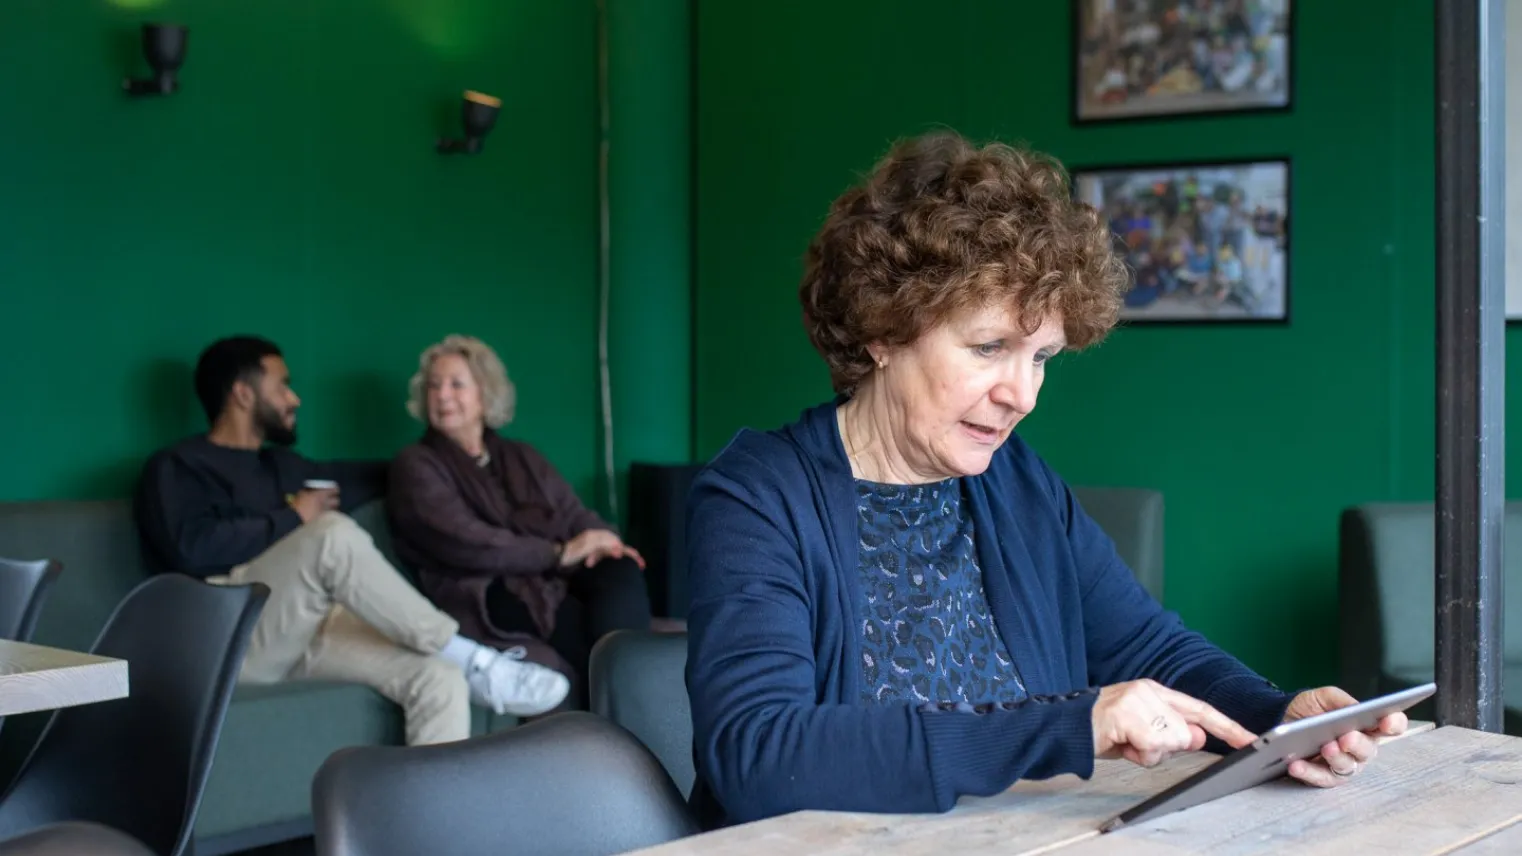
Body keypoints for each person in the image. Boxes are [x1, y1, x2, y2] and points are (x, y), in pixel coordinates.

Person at [683, 131, 1407, 830]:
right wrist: (1068, 726)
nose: (1021, 395)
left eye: (1042, 358)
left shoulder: (1017, 482)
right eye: (989, 347)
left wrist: (1276, 718)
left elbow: (1151, 651)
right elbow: (759, 755)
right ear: (884, 331)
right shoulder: (758, 497)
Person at [135, 336, 570, 746]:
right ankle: (472, 657)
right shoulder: (179, 466)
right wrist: (295, 515)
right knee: (330, 533)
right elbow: (190, 548)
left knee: (437, 678)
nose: (294, 398)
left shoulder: (283, 467)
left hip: (303, 633)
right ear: (243, 394)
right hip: (226, 634)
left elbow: (380, 474)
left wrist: (441, 468)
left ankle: (437, 820)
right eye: (283, 385)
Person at [386, 334, 652, 699]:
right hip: (486, 589)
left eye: (456, 384)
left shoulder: (519, 456)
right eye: (434, 386)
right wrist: (558, 554)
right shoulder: (415, 465)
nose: (442, 395)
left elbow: (571, 511)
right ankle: (625, 703)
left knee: (618, 566)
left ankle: (635, 685)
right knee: (578, 629)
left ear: (485, 393)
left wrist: (603, 539)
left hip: (548, 575)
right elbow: (469, 543)